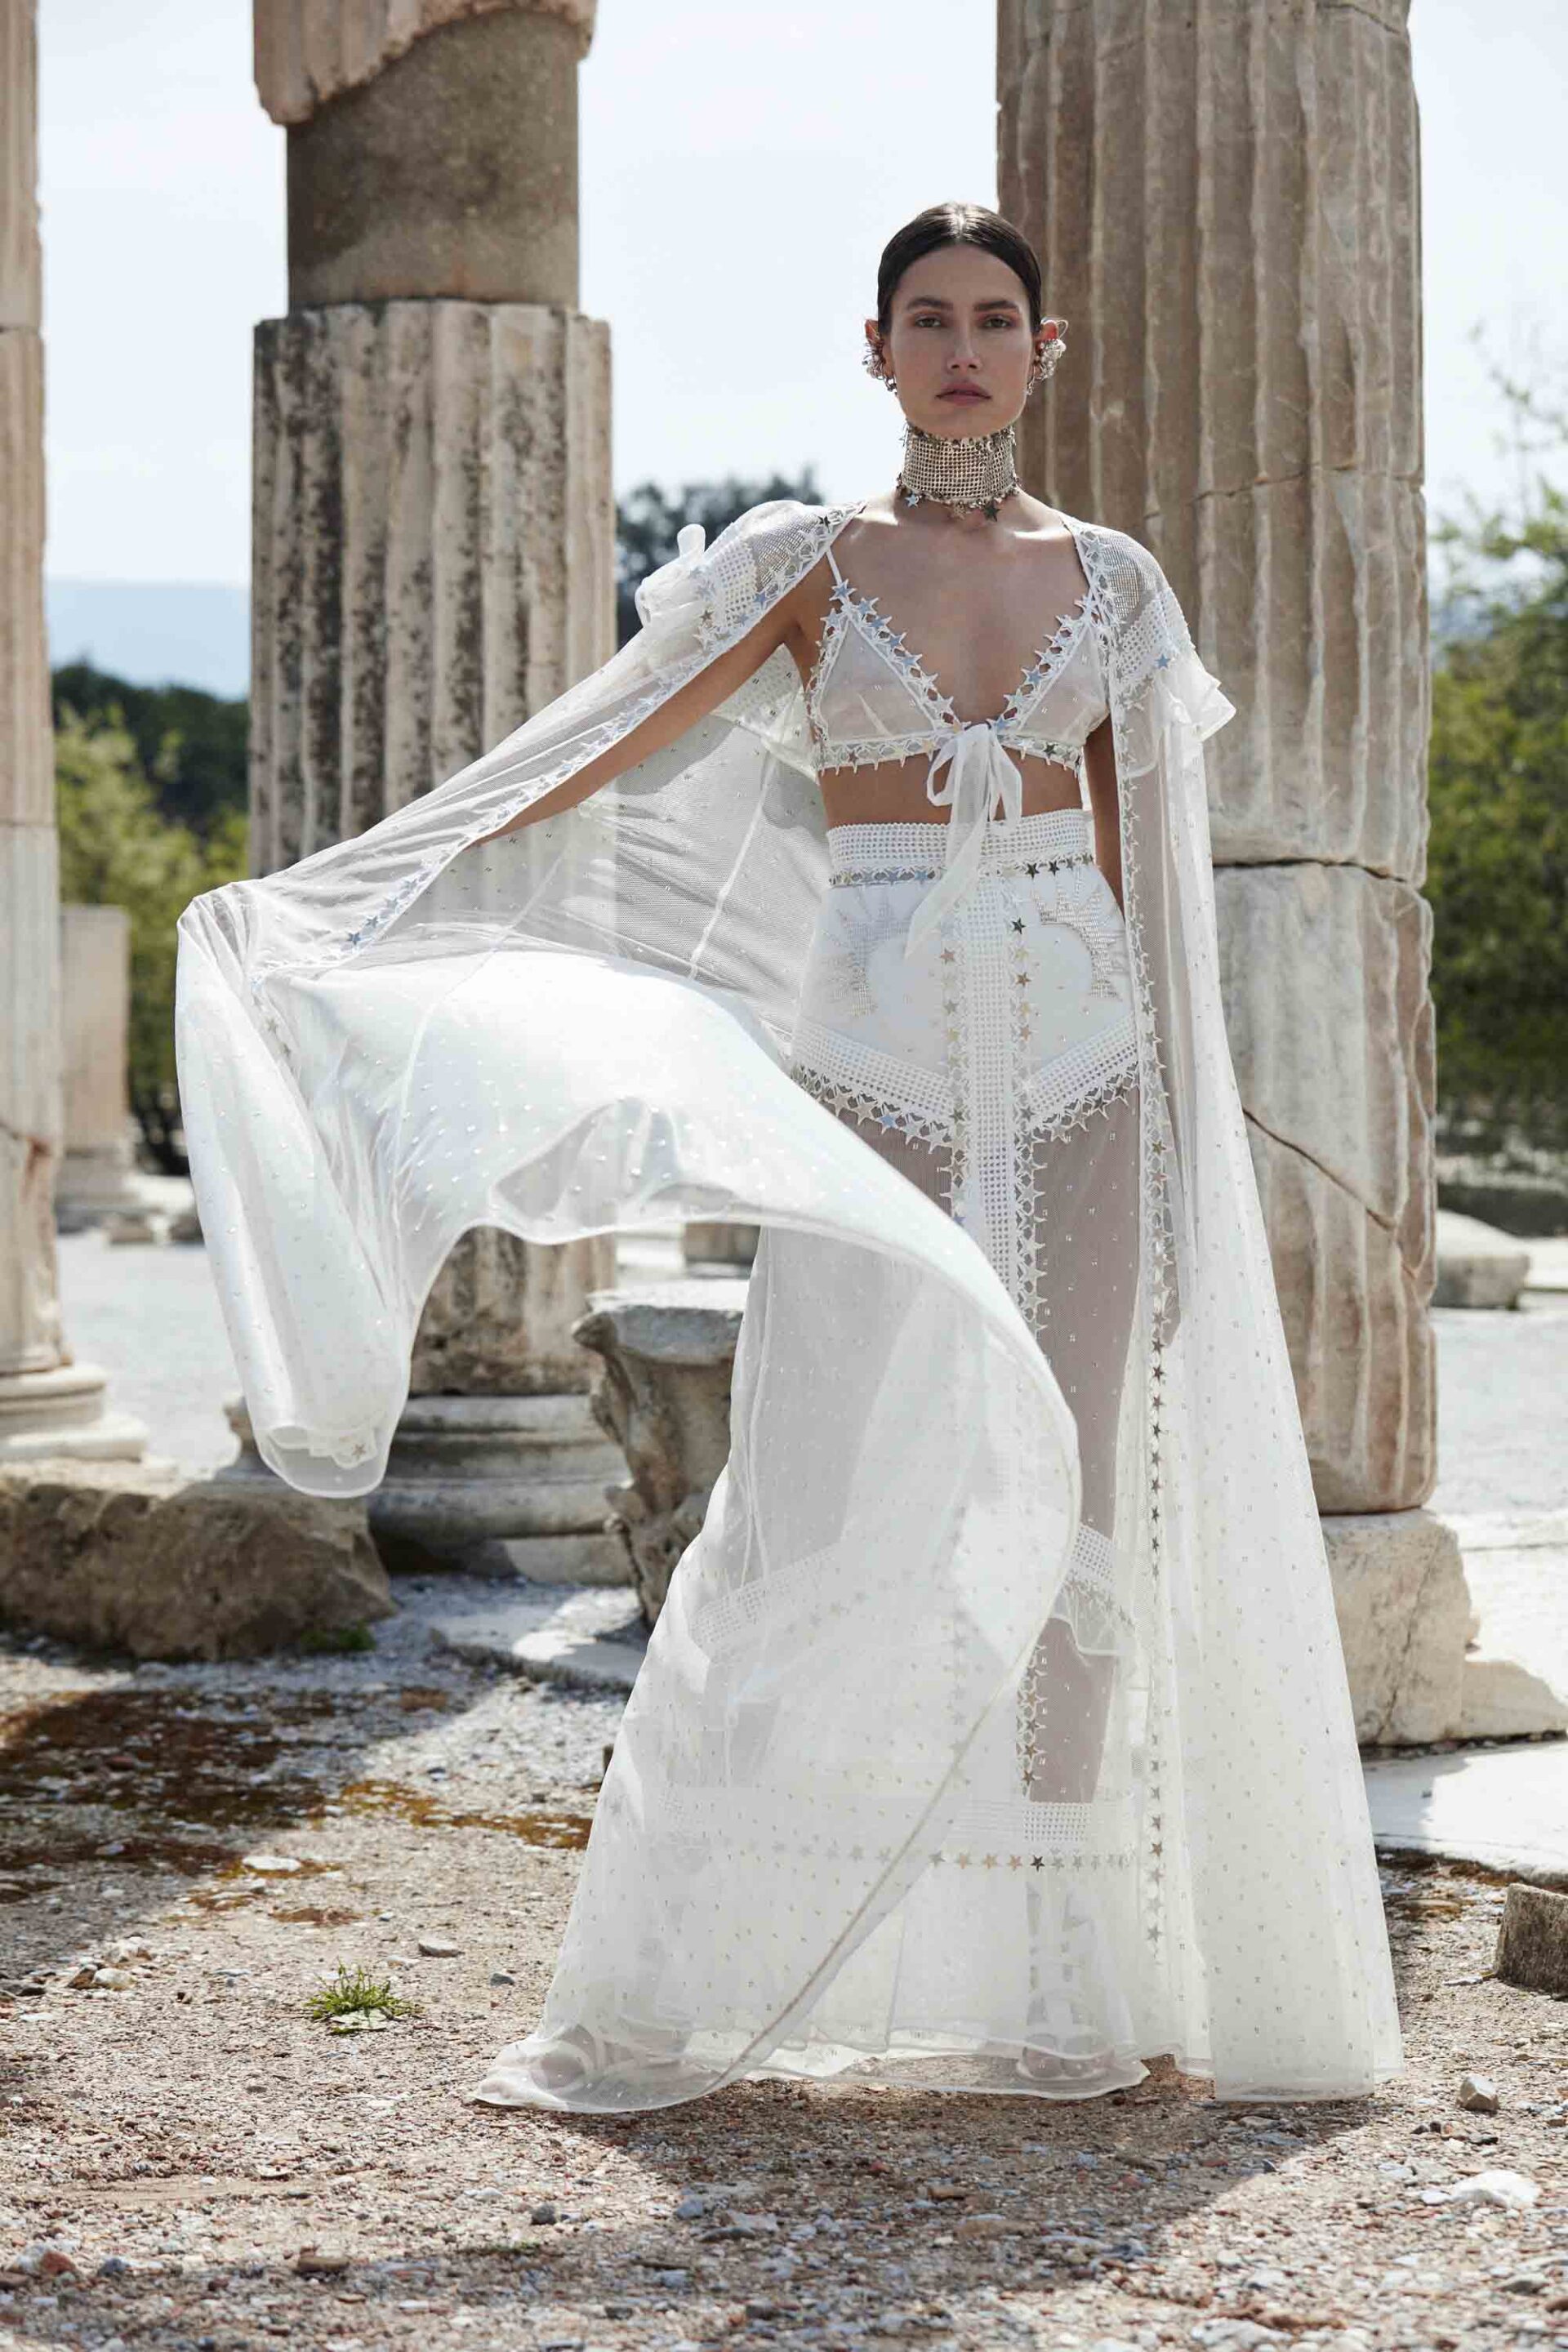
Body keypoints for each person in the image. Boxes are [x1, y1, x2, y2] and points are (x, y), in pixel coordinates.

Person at [176, 203, 1402, 2117]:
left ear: (1045, 349)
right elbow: (603, 746)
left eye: (995, 319)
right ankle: (731, 1962)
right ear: (877, 347)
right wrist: (364, 894)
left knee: (1085, 1488)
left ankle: (1062, 1980)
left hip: (1085, 1072)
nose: (964, 349)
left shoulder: (1120, 584)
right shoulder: (802, 562)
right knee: (824, 1490)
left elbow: (1151, 886)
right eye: (931, 318)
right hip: (880, 1070)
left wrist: (1181, 1160)